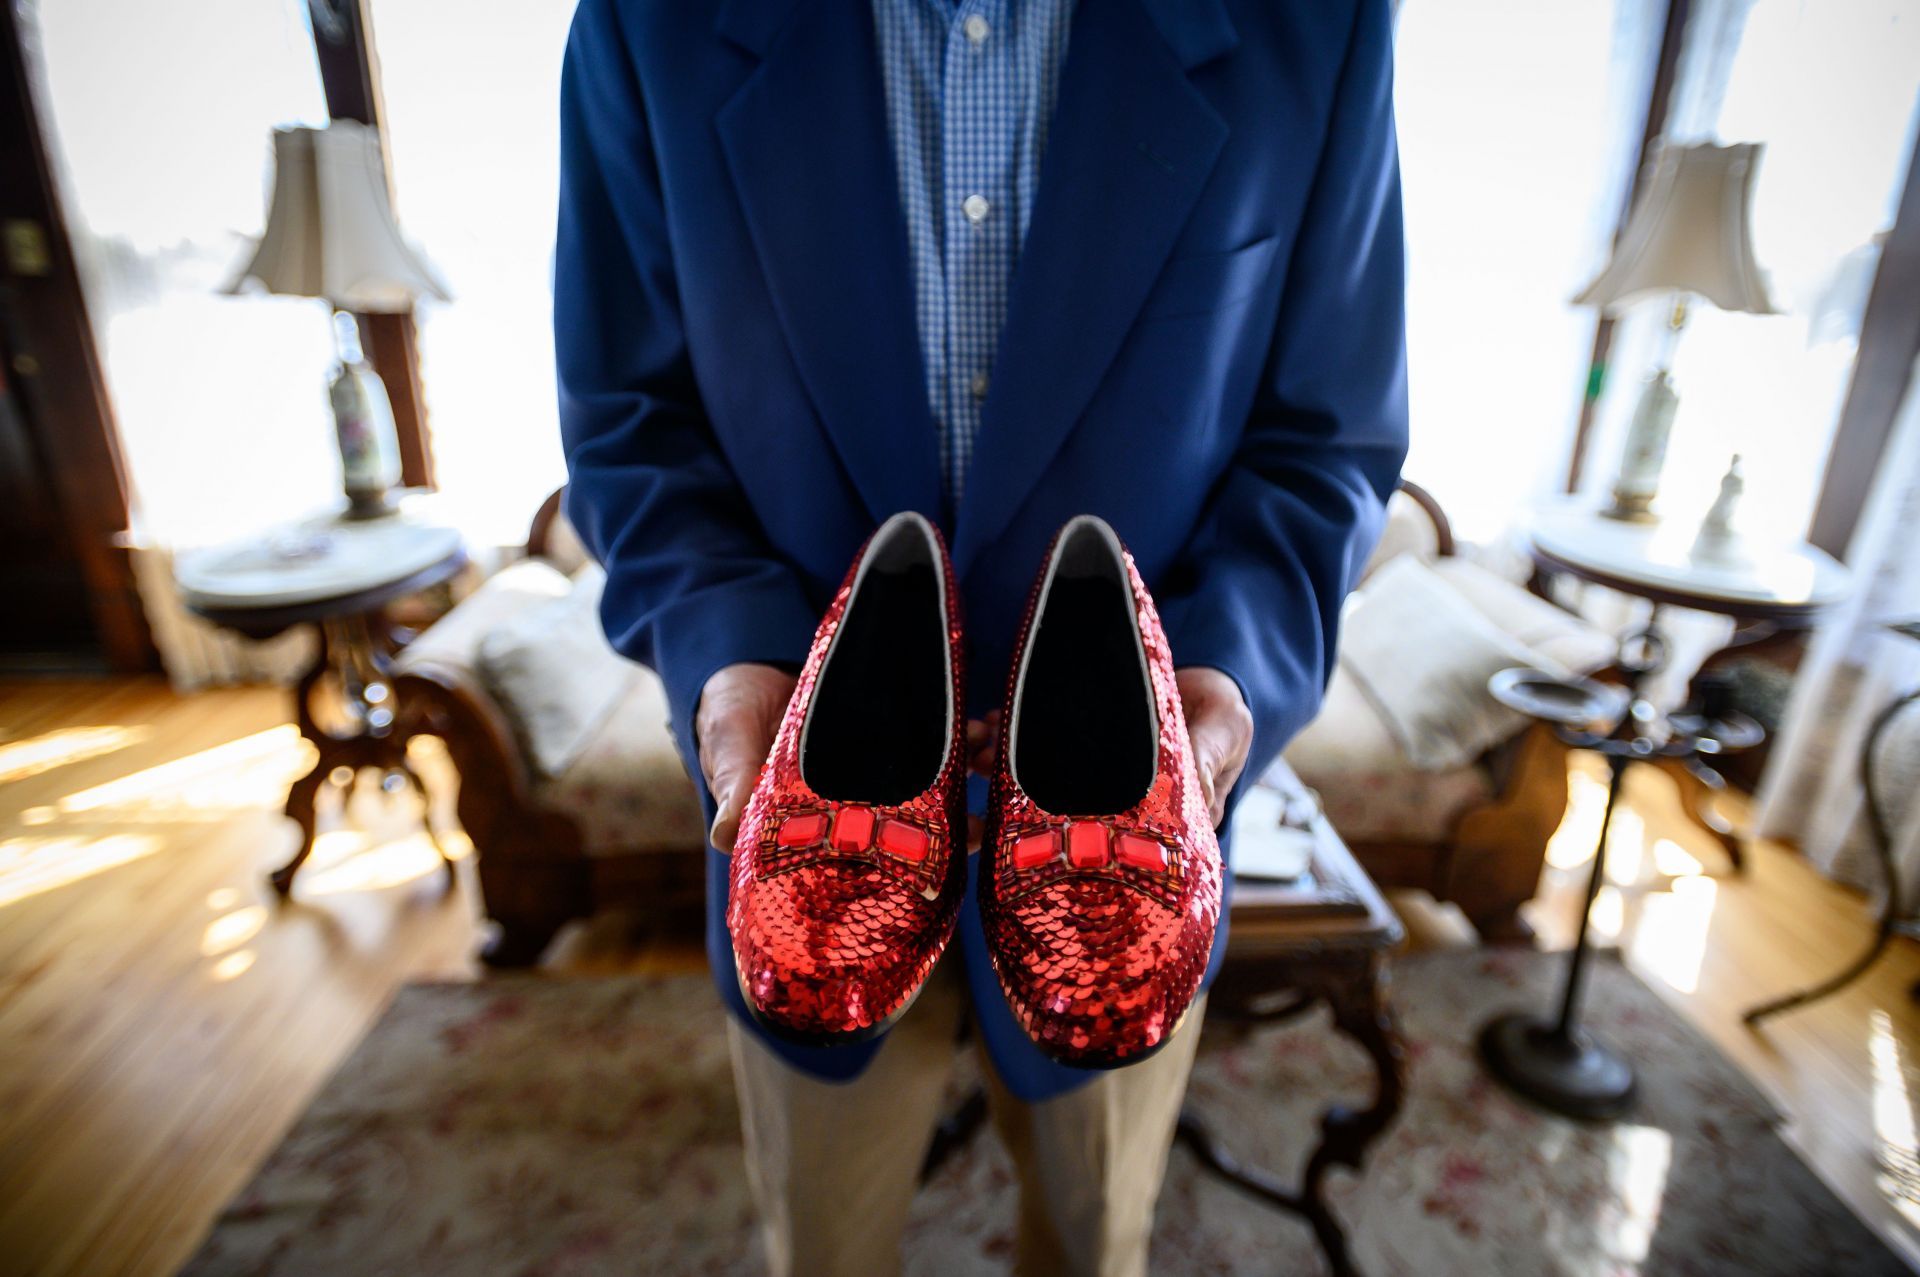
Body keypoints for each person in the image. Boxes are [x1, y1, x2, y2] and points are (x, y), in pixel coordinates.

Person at [555, 1, 1408, 1273]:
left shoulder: (1319, 23)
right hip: (809, 838)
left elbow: (1323, 441)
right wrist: (730, 658)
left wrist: (1220, 685)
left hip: (1122, 864)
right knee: (824, 1248)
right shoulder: (649, 21)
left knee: (1091, 1241)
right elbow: (632, 421)